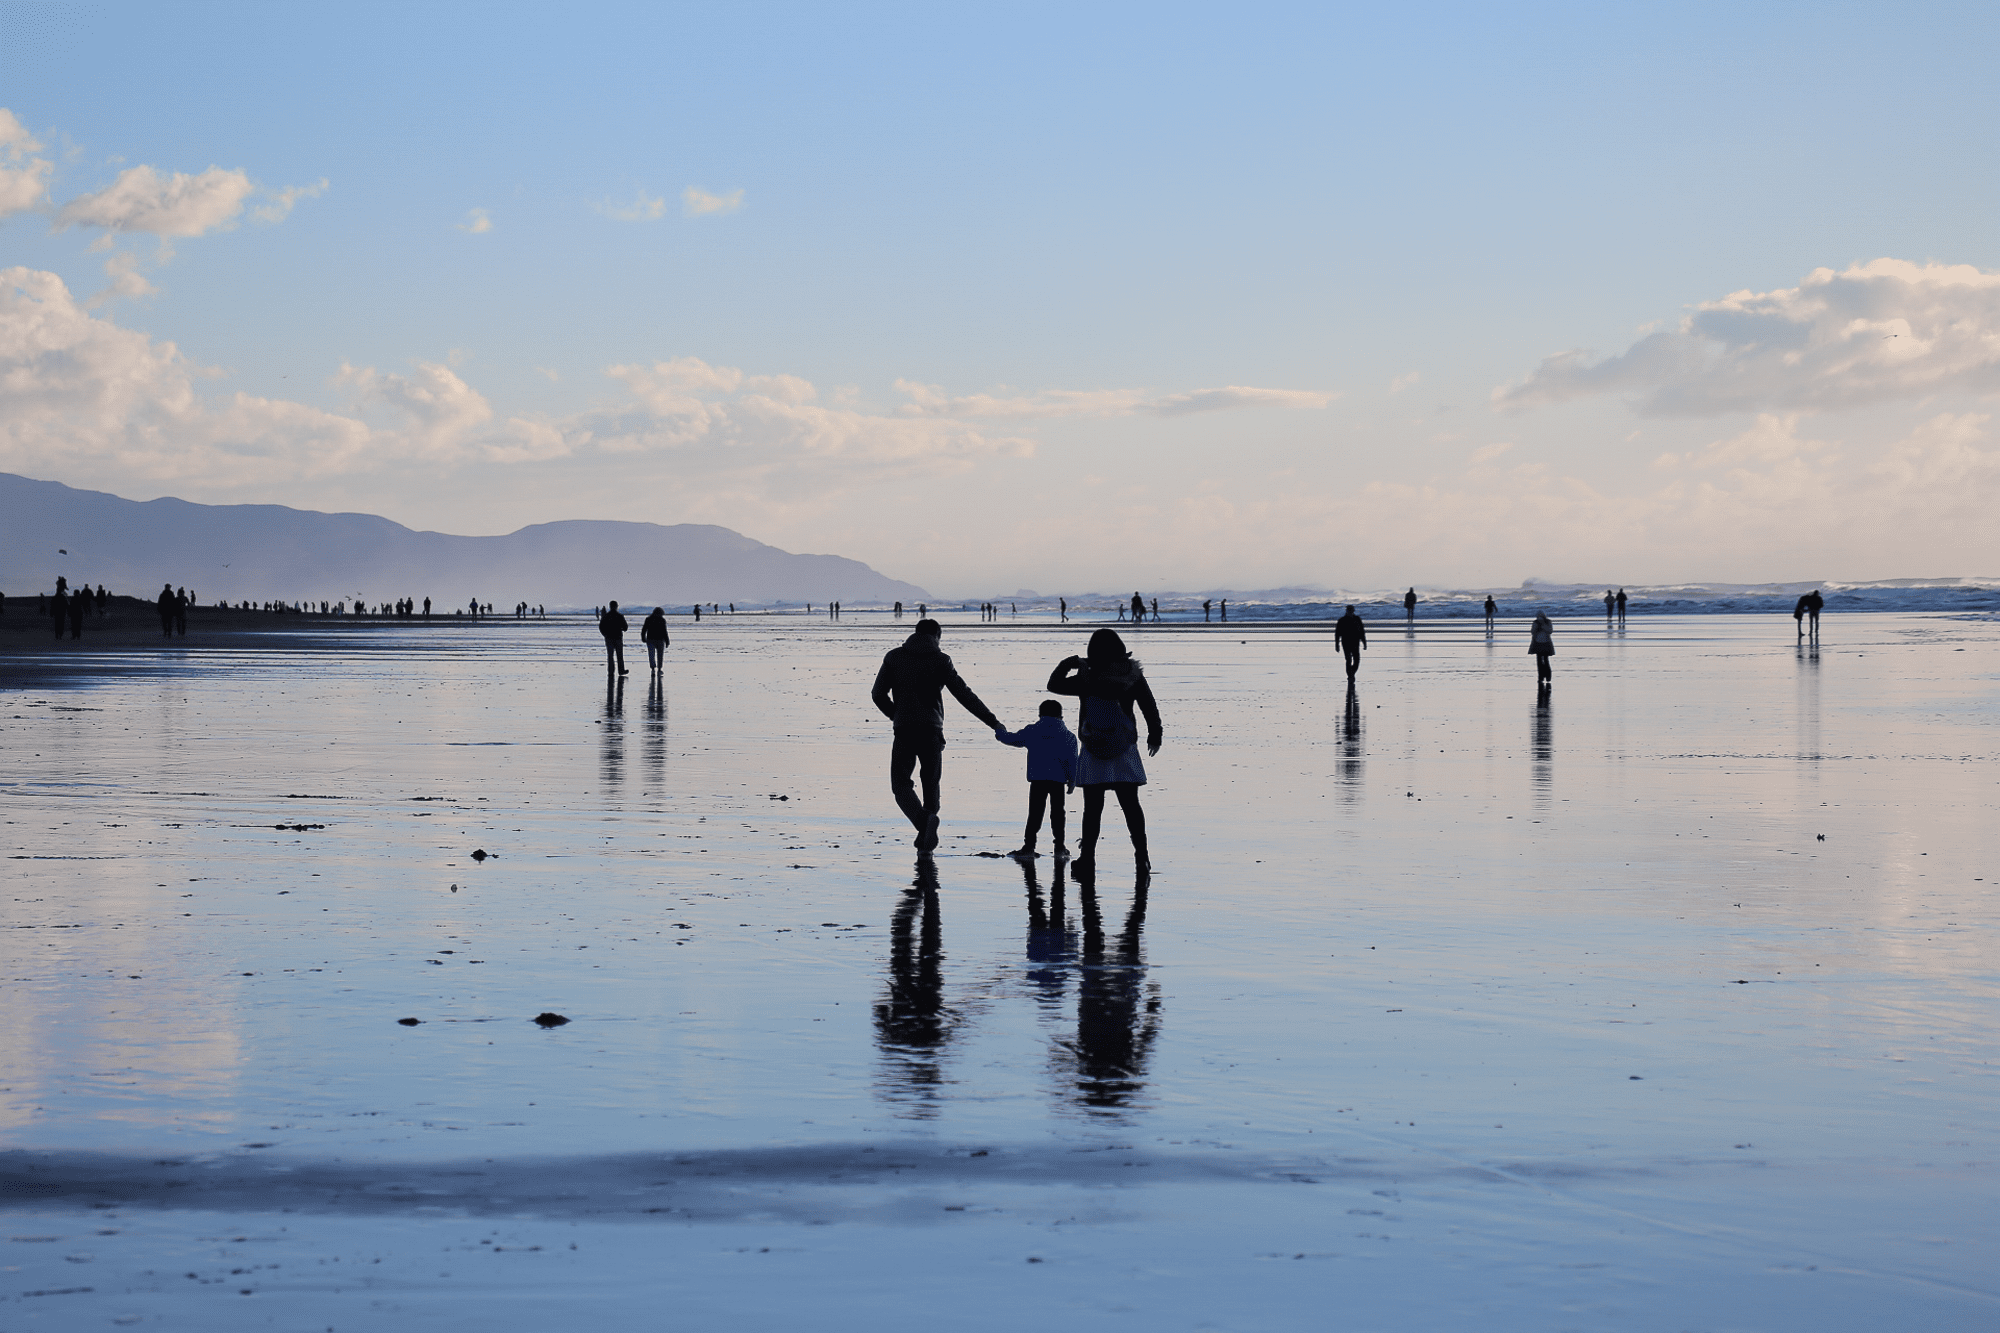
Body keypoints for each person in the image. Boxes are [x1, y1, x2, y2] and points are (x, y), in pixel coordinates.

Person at [871, 618, 1003, 853]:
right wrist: (992, 721)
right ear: (937, 636)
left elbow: (878, 694)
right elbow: (964, 695)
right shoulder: (941, 660)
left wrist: (897, 715)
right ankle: (926, 827)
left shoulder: (894, 657)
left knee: (901, 785)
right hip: (932, 730)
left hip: (904, 730)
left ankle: (924, 829)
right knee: (930, 783)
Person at [1046, 628, 1162, 873]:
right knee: (1131, 806)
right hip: (1124, 746)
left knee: (1093, 808)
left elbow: (1053, 685)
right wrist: (1155, 733)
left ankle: (1087, 858)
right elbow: (1148, 704)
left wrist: (1067, 663)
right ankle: (1142, 857)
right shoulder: (1132, 675)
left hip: (1093, 745)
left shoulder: (1087, 678)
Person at [994, 700, 1078, 861]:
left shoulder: (1033, 731)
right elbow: (1072, 761)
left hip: (1038, 780)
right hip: (1058, 781)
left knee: (1035, 813)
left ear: (1040, 715)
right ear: (1061, 716)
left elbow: (1012, 739)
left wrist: (999, 731)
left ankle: (1029, 846)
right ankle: (1059, 846)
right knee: (1058, 814)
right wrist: (1072, 781)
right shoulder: (1068, 736)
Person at [1334, 604, 1367, 678]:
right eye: (1349, 610)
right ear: (1347, 611)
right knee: (1348, 659)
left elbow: (1362, 632)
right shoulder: (1342, 620)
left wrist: (1364, 643)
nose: (1350, 612)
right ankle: (1350, 675)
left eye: (1351, 610)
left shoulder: (1357, 619)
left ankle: (1351, 673)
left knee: (1357, 660)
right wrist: (1337, 645)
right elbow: (1337, 633)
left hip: (1355, 642)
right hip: (1346, 642)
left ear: (1353, 611)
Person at [599, 600, 630, 674]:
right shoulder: (619, 616)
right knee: (619, 655)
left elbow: (601, 627)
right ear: (616, 606)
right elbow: (625, 627)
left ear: (610, 606)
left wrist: (605, 634)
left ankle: (611, 671)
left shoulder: (606, 616)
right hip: (618, 637)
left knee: (610, 656)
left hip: (609, 638)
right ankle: (621, 670)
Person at [641, 606, 670, 673]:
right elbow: (664, 631)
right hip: (660, 639)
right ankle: (659, 669)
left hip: (650, 639)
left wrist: (643, 637)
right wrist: (667, 641)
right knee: (660, 655)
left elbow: (644, 629)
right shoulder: (662, 620)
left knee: (651, 655)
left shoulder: (648, 619)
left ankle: (653, 668)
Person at [1529, 610, 1555, 685]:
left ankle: (1548, 677)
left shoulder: (1548, 622)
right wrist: (1537, 627)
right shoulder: (1535, 623)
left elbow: (1550, 631)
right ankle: (1540, 677)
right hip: (1537, 643)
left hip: (1546, 643)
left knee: (1546, 661)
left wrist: (1543, 625)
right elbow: (1532, 632)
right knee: (1539, 662)